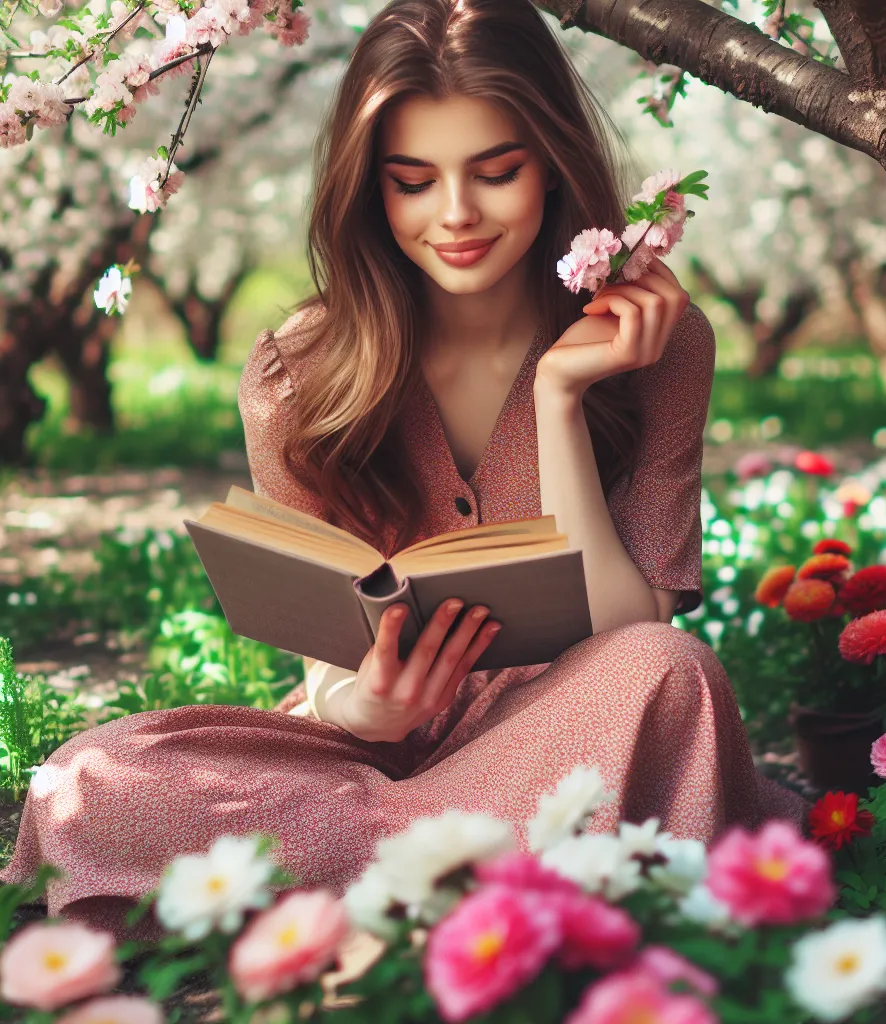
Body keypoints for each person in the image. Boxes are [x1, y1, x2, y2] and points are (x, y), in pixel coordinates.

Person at [0, 0, 805, 947]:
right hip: (355, 769)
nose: (454, 215)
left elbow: (636, 634)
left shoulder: (659, 344)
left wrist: (559, 400)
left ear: (551, 164)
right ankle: (475, 885)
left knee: (672, 675)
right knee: (89, 786)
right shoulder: (296, 373)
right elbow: (324, 665)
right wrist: (369, 708)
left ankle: (374, 902)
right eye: (413, 181)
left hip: (573, 736)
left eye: (495, 171)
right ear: (369, 190)